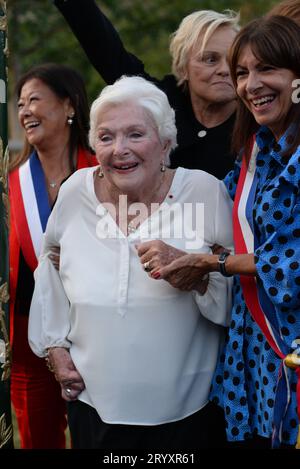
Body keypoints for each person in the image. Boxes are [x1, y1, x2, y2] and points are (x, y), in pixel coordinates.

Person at [28, 75, 233, 449]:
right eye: (106, 137)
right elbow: (50, 269)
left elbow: (238, 292)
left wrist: (197, 273)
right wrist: (55, 347)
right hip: (92, 410)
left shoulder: (204, 191)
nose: (119, 149)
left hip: (184, 416)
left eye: (135, 134)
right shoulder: (76, 191)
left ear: (166, 142)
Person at [157, 15, 300, 449]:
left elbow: (289, 266)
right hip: (252, 351)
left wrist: (213, 262)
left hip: (290, 350)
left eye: (267, 69)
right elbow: (214, 217)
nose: (251, 84)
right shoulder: (255, 150)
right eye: (244, 73)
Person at [9, 63, 97, 449]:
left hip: (96, 335)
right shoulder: (9, 182)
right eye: (20, 103)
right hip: (30, 342)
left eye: (35, 100)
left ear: (68, 106)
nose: (25, 110)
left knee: (100, 436)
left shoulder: (105, 171)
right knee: (36, 438)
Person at [53, 0, 239, 179]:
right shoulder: (159, 103)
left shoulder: (257, 123)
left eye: (232, 60)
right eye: (210, 59)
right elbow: (107, 53)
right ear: (183, 68)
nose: (224, 69)